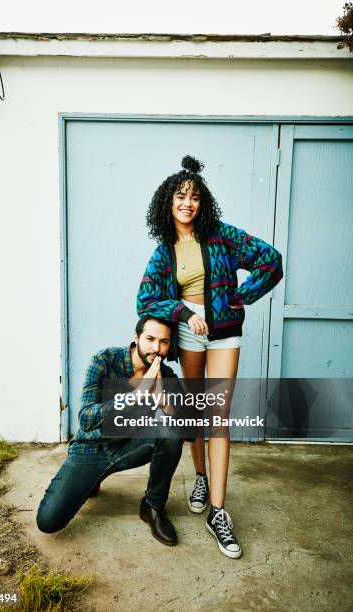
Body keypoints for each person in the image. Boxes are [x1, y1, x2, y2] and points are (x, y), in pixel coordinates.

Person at [137, 155, 283, 559]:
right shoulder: (165, 251)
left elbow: (271, 261)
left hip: (224, 333)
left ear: (204, 204)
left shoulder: (222, 237)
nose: (188, 203)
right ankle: (199, 476)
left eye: (195, 197)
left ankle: (218, 511)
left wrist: (241, 297)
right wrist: (184, 313)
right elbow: (146, 298)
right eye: (181, 196)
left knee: (218, 416)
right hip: (188, 332)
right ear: (168, 203)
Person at [36, 316, 185, 546]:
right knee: (48, 521)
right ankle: (90, 480)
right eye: (150, 339)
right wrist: (135, 395)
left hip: (128, 447)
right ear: (135, 338)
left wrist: (166, 404)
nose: (156, 348)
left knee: (171, 434)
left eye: (164, 342)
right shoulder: (104, 360)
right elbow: (86, 418)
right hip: (90, 449)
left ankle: (153, 507)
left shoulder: (166, 375)